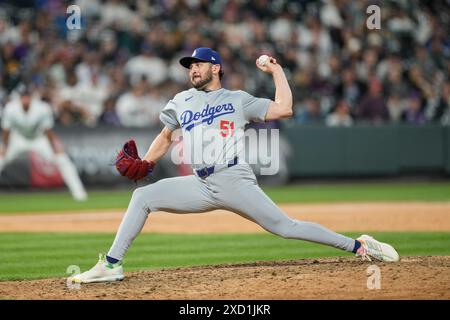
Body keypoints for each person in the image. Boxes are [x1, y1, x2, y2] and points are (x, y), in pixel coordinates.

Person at [69, 47, 399, 284]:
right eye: (190, 66)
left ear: (216, 68)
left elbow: (284, 109)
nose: (192, 69)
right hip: (200, 184)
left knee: (286, 228)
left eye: (199, 64)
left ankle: (359, 246)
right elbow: (167, 135)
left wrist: (277, 71)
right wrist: (146, 161)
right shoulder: (181, 100)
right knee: (142, 198)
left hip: (234, 179)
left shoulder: (237, 99)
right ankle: (112, 265)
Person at [0, 84, 88, 201]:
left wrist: (55, 146)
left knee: (62, 159)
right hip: (18, 139)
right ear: (19, 97)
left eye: (27, 96)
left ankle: (80, 195)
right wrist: (4, 146)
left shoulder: (42, 108)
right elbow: (6, 131)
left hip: (38, 138)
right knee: (1, 159)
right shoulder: (10, 108)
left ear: (31, 97)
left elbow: (48, 130)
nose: (25, 98)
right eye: (22, 96)